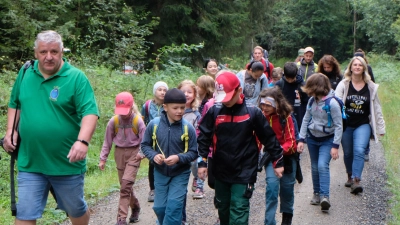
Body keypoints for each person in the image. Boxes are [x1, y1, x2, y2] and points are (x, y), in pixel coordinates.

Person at [2, 30, 99, 225]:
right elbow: (15, 103)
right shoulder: (25, 73)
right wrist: (10, 131)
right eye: (43, 52)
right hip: (31, 161)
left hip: (66, 163)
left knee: (75, 210)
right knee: (25, 214)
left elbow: (90, 112)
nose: (49, 57)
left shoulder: (76, 78)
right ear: (36, 53)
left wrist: (82, 141)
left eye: (54, 51)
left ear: (62, 51)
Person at [197, 71, 284, 225]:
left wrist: (278, 160)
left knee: (238, 212)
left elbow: (268, 138)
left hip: (244, 170)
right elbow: (204, 137)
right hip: (221, 169)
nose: (226, 101)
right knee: (223, 209)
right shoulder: (214, 111)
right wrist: (202, 162)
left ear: (239, 90)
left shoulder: (252, 113)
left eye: (228, 97)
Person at [141, 88, 198, 225]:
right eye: (175, 108)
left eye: (182, 108)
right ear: (165, 107)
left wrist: (178, 158)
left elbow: (194, 152)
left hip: (180, 173)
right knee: (159, 208)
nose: (179, 111)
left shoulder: (187, 128)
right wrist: (154, 156)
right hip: (160, 173)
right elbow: (145, 146)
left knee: (173, 208)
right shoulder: (154, 125)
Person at [335, 56, 385, 194]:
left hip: (363, 124)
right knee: (348, 152)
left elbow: (377, 108)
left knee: (359, 150)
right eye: (355, 65)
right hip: (346, 124)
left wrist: (381, 127)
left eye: (360, 65)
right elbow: (336, 103)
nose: (357, 67)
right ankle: (349, 176)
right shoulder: (343, 84)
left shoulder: (371, 87)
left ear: (364, 68)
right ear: (350, 67)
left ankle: (356, 180)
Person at [297, 73, 343, 212]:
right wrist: (301, 139)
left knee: (323, 165)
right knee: (315, 166)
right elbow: (305, 119)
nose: (309, 91)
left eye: (311, 87)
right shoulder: (312, 101)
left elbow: (339, 125)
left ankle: (325, 197)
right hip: (312, 138)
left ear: (317, 87)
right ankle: (316, 194)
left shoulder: (332, 103)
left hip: (327, 139)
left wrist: (335, 146)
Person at [99, 92, 145, 225]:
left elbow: (145, 140)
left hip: (134, 153)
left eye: (126, 110)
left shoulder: (138, 121)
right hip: (119, 153)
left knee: (125, 185)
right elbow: (107, 142)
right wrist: (103, 159)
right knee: (125, 185)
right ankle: (135, 206)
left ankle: (121, 219)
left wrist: (141, 153)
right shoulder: (114, 122)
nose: (123, 114)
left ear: (131, 107)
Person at [258, 87, 297, 225]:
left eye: (268, 105)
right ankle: (269, 222)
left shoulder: (285, 117)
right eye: (263, 104)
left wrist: (278, 152)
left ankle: (287, 218)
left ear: (277, 104)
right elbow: (256, 138)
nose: (265, 107)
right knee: (272, 189)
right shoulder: (261, 117)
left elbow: (292, 142)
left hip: (287, 158)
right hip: (270, 158)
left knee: (287, 191)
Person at [177, 80, 202, 224]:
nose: (186, 95)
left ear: (194, 95)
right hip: (174, 153)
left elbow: (198, 134)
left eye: (189, 92)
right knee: (179, 190)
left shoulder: (196, 114)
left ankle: (182, 219)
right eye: (183, 91)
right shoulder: (170, 112)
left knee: (182, 187)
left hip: (190, 154)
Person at [141, 81, 169, 202]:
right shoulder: (147, 106)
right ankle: (153, 189)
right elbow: (142, 122)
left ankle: (165, 186)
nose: (162, 92)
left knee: (165, 160)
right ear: (154, 91)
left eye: (165, 90)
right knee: (152, 163)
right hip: (151, 138)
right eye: (160, 89)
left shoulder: (168, 105)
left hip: (165, 137)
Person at [353, 49, 376, 162]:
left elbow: (373, 81)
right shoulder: (351, 68)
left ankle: (366, 151)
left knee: (366, 125)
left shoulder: (368, 67)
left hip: (366, 96)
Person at [275, 62, 309, 131]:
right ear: (284, 74)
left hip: (299, 116)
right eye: (288, 78)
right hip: (284, 115)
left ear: (296, 74)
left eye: (292, 78)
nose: (290, 81)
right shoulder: (280, 84)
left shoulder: (302, 85)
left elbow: (306, 101)